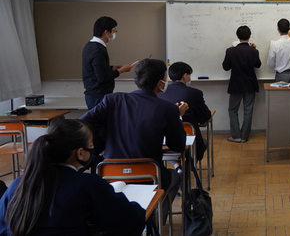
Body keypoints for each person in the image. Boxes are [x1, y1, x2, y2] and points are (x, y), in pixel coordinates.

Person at [0, 119, 145, 236]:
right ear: (80, 153)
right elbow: (129, 220)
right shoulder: (87, 184)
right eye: (91, 144)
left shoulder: (18, 184)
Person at [81, 58, 187, 215]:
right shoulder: (167, 108)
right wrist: (178, 117)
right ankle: (153, 220)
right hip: (150, 176)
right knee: (175, 177)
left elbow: (82, 124)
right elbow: (178, 145)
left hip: (110, 173)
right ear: (160, 83)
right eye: (165, 78)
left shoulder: (112, 100)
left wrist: (99, 143)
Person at [159, 61, 211, 166]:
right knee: (203, 142)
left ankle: (177, 166)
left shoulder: (161, 96)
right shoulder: (195, 93)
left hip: (167, 140)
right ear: (185, 76)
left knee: (174, 147)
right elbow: (206, 115)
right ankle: (189, 167)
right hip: (190, 137)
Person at [82, 16, 133, 110]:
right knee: (102, 124)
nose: (114, 34)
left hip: (96, 95)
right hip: (98, 96)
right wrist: (121, 70)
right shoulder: (97, 50)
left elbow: (97, 69)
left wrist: (112, 68)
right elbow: (102, 77)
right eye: (113, 31)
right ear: (106, 32)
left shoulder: (91, 46)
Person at [222, 26, 262, 143]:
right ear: (250, 36)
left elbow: (225, 67)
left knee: (232, 110)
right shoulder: (254, 51)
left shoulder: (230, 51)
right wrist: (254, 49)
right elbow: (258, 65)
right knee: (248, 110)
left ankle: (236, 136)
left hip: (236, 85)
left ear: (237, 37)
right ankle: (244, 136)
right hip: (250, 84)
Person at [268, 18, 290, 83]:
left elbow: (270, 64)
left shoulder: (274, 44)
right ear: (289, 29)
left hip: (281, 75)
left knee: (282, 93)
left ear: (278, 29)